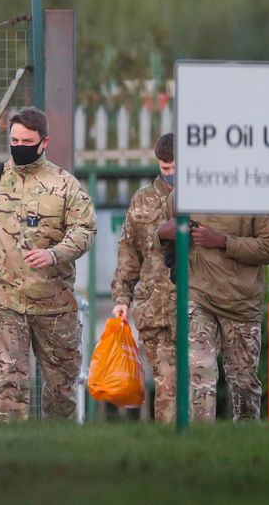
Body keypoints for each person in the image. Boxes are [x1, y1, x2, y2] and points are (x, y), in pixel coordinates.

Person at [0, 107, 96, 421]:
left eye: (27, 141)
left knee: (61, 391)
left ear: (44, 142)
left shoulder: (64, 185)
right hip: (4, 300)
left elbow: (85, 230)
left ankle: (58, 456)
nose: (20, 146)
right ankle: (9, 456)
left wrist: (55, 253)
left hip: (55, 304)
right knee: (6, 386)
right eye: (15, 139)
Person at [158, 200, 269, 422]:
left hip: (241, 303)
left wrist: (224, 242)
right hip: (197, 296)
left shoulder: (254, 193)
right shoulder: (186, 189)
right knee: (199, 371)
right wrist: (163, 234)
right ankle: (201, 442)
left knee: (244, 384)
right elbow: (162, 234)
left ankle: (246, 441)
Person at [111, 133, 177, 422]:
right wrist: (122, 298)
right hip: (156, 310)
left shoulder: (203, 196)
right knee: (167, 386)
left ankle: (203, 444)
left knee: (200, 385)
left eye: (176, 168)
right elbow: (129, 253)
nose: (171, 174)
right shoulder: (143, 201)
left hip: (198, 306)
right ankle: (171, 449)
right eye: (165, 169)